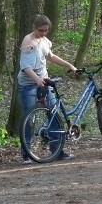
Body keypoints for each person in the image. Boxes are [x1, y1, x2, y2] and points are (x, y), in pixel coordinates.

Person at [18, 14, 78, 164]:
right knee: (30, 118)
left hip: (45, 81)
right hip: (29, 84)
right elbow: (25, 67)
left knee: (54, 114)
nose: (43, 33)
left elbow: (50, 56)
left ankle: (57, 150)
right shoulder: (28, 41)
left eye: (46, 30)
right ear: (34, 27)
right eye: (41, 30)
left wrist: (68, 65)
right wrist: (37, 80)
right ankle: (27, 154)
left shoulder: (45, 41)